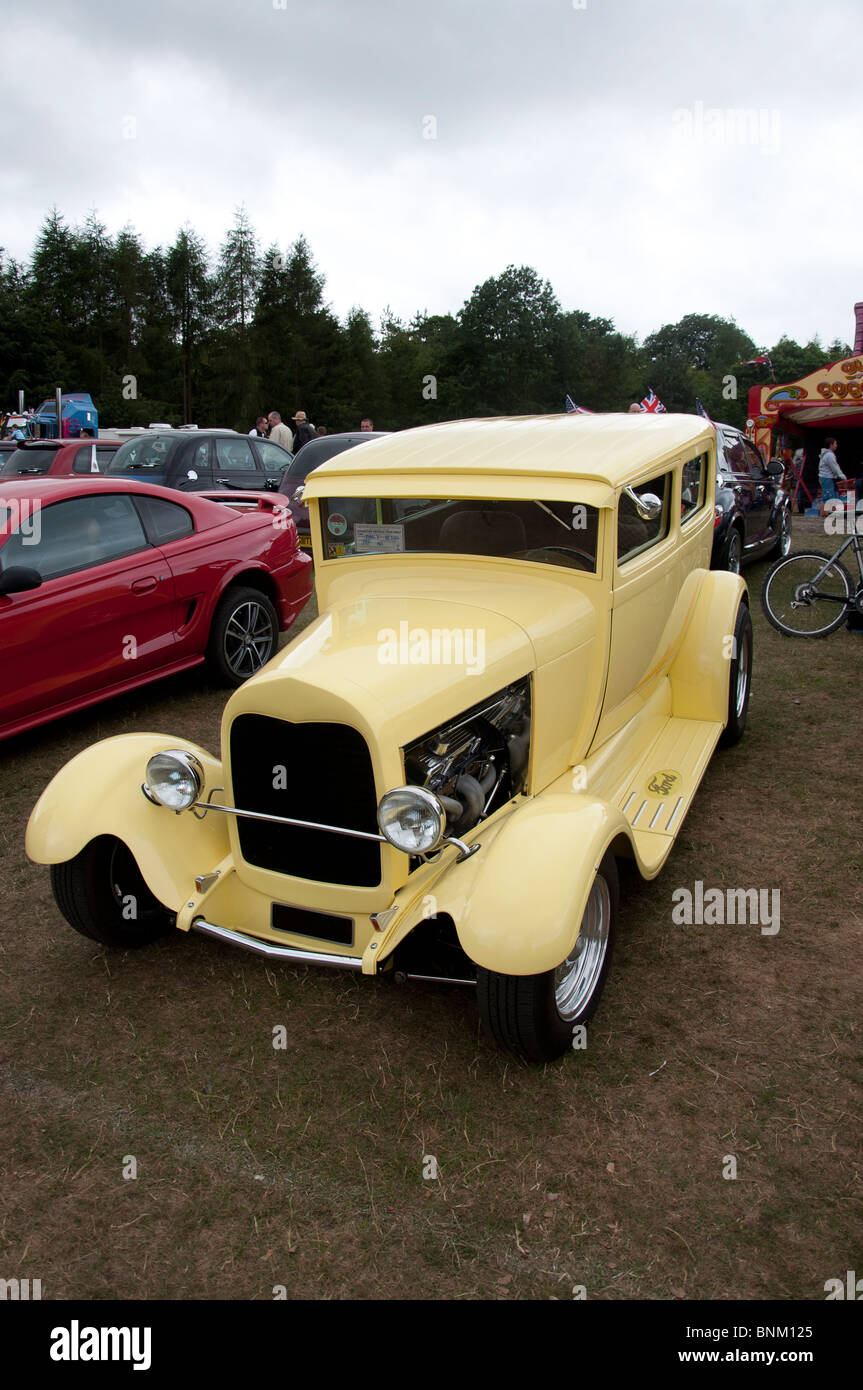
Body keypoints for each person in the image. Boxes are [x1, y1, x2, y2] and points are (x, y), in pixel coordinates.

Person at [818, 437, 846, 504]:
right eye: (835, 444)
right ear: (831, 445)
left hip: (827, 478)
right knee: (829, 498)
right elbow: (835, 468)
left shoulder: (827, 454)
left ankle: (831, 513)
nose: (836, 445)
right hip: (827, 478)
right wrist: (842, 477)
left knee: (832, 496)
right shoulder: (829, 455)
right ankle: (827, 513)